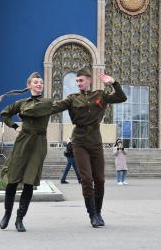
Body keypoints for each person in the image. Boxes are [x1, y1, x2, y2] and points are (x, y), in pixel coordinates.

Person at [51, 67, 127, 228]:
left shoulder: (100, 95)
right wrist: (33, 108)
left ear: (89, 80)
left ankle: (98, 212)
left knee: (100, 179)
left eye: (81, 80)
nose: (78, 83)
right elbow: (54, 108)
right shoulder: (72, 98)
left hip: (95, 141)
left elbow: (121, 97)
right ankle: (92, 214)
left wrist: (114, 83)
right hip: (79, 140)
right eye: (77, 81)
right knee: (86, 179)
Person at [0, 72, 53, 232]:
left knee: (29, 182)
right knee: (13, 180)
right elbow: (4, 114)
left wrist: (23, 114)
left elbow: (36, 110)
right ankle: (7, 214)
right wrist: (15, 126)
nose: (39, 84)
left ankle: (19, 219)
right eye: (36, 82)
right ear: (29, 85)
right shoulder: (21, 102)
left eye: (41, 82)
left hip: (39, 144)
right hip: (23, 141)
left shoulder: (47, 102)